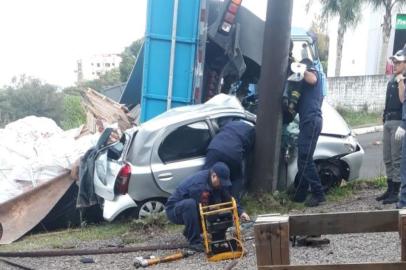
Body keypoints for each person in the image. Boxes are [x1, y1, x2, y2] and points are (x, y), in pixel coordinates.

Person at [165, 162, 250, 252]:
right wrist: (211, 209)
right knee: (191, 205)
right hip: (174, 210)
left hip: (192, 207)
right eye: (221, 181)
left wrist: (241, 212)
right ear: (214, 176)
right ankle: (194, 242)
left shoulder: (215, 182)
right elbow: (202, 209)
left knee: (213, 210)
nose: (222, 184)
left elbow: (228, 198)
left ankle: (193, 232)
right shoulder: (198, 185)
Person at [290, 57, 326, 207]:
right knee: (304, 158)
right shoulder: (304, 86)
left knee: (305, 158)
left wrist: (301, 68)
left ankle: (318, 194)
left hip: (311, 121)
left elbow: (311, 78)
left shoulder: (313, 74)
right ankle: (301, 194)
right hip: (308, 122)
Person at [376, 49, 406, 204]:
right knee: (387, 157)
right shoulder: (393, 79)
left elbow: (403, 101)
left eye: (398, 62)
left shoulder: (403, 79)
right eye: (394, 62)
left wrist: (401, 79)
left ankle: (396, 190)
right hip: (388, 120)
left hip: (398, 121)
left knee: (396, 158)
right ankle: (389, 189)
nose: (395, 65)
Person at [203, 120, 255, 200]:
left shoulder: (229, 123)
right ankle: (233, 203)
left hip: (215, 148)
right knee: (236, 178)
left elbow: (218, 130)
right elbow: (248, 150)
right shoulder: (252, 130)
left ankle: (206, 203)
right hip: (234, 153)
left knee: (206, 176)